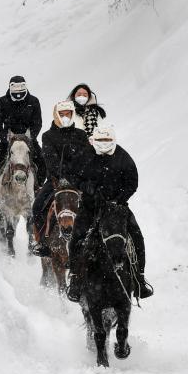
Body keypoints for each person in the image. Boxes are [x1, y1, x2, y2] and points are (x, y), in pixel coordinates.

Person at [65, 123, 153, 301]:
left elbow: (132, 182)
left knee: (136, 236)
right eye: (100, 140)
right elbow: (71, 174)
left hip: (117, 207)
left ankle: (139, 279)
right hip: (90, 206)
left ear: (113, 140)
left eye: (107, 140)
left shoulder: (123, 156)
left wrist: (118, 198)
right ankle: (75, 278)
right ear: (93, 140)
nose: (104, 143)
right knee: (77, 236)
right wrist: (85, 187)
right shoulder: (84, 155)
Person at [29, 100, 97, 256]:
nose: (65, 117)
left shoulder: (81, 135)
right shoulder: (47, 136)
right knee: (37, 207)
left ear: (73, 115)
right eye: (62, 114)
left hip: (79, 181)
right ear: (56, 115)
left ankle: (96, 238)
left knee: (96, 201)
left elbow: (86, 158)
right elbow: (50, 160)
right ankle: (41, 242)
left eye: (68, 114)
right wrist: (63, 174)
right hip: (55, 181)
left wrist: (79, 175)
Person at [0, 76, 46, 208]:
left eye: (21, 87)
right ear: (10, 87)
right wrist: (5, 138)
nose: (18, 91)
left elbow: (38, 122)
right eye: (15, 87)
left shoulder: (34, 101)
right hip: (8, 141)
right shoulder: (2, 101)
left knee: (42, 160)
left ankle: (38, 189)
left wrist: (30, 138)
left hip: (28, 140)